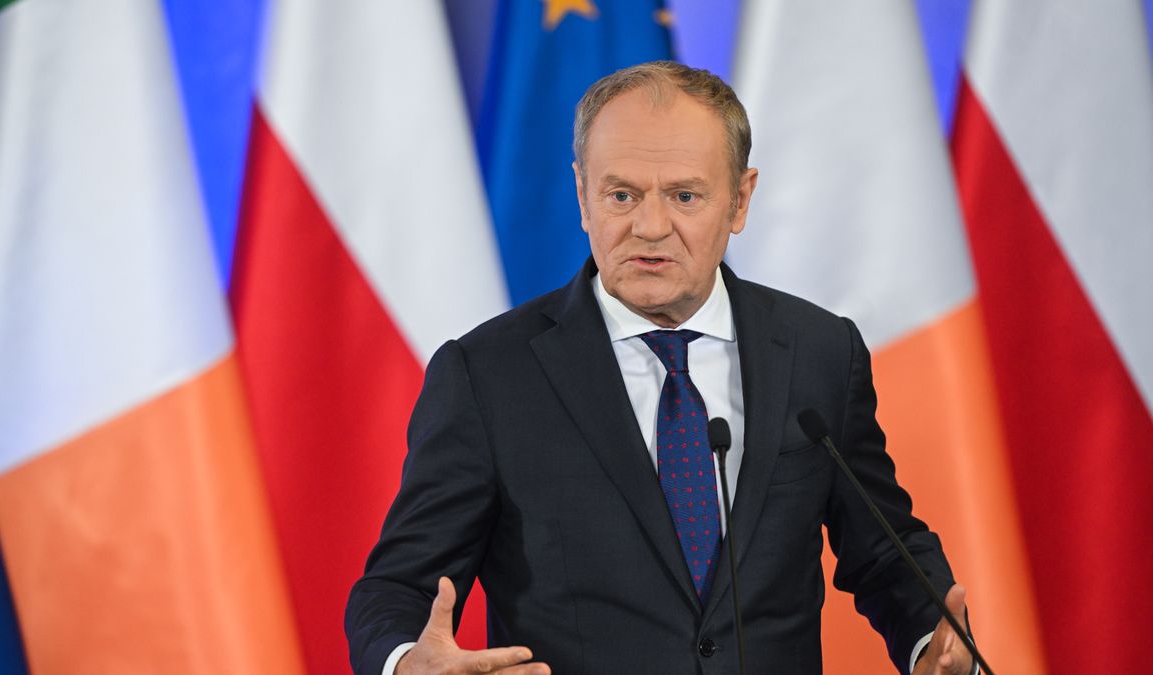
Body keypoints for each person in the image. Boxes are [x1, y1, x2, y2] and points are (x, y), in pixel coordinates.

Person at [346, 61, 975, 675]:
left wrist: (930, 640)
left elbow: (886, 552)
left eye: (684, 195)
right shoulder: (487, 375)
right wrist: (405, 663)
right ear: (582, 197)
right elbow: (397, 589)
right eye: (621, 194)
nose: (650, 227)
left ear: (739, 200)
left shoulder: (819, 352)